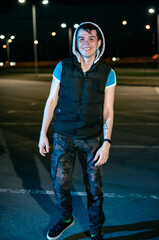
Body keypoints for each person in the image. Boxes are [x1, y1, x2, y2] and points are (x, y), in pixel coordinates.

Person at [38, 21, 116, 240]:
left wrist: (107, 142)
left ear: (99, 42)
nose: (86, 43)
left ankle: (95, 228)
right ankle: (65, 218)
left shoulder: (107, 72)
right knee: (60, 182)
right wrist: (43, 133)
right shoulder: (63, 66)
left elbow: (108, 110)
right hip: (63, 135)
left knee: (94, 188)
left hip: (92, 138)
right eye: (81, 38)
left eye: (91, 38)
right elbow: (52, 100)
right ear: (75, 42)